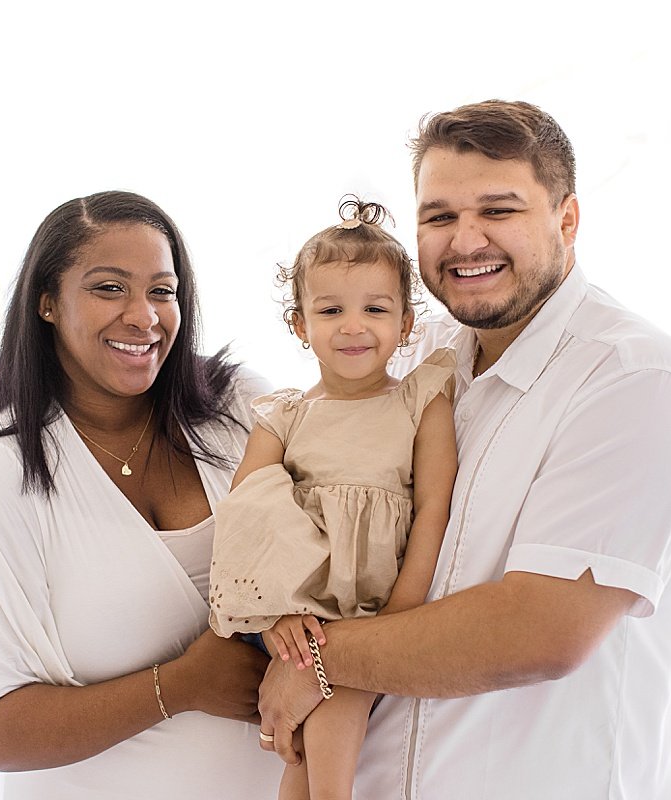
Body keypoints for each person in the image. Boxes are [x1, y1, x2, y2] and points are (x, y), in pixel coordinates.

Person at [257, 101, 671, 799]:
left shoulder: (636, 382)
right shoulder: (422, 360)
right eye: (440, 217)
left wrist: (313, 660)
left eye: (499, 211)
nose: (465, 241)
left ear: (567, 220)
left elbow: (540, 630)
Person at [0, 191, 282, 798]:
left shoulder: (239, 407)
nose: (144, 317)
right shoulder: (1, 475)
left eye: (161, 290)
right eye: (108, 288)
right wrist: (180, 685)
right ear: (47, 302)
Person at [208, 196, 458, 800]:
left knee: (334, 712)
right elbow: (251, 514)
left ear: (404, 324)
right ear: (301, 323)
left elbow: (433, 511)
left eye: (376, 308)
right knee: (299, 752)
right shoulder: (285, 415)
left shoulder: (419, 402)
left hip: (371, 613)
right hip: (298, 608)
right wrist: (280, 615)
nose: (353, 325)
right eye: (331, 309)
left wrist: (399, 621)